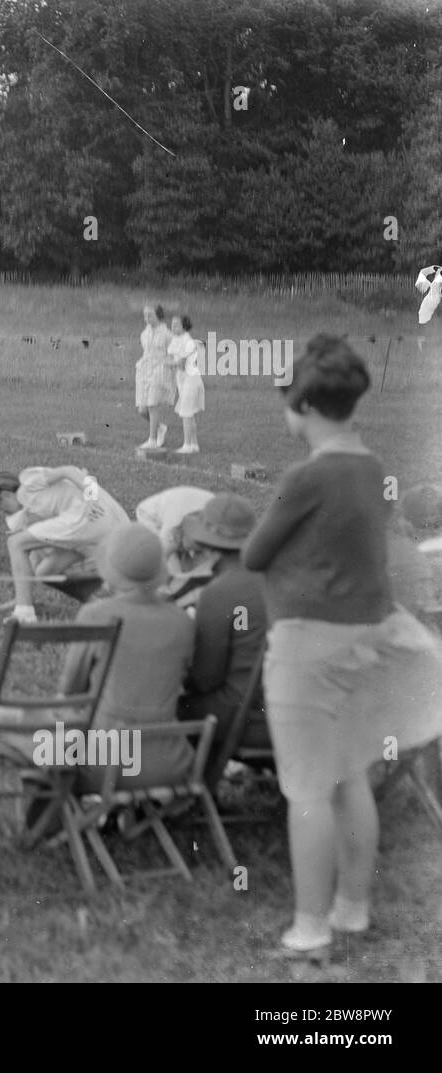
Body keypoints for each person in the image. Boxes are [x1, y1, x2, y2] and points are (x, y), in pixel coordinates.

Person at [240, 334, 442, 958]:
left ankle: (310, 930)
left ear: (301, 404)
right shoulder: (371, 467)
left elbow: (254, 552)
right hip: (365, 638)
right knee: (350, 773)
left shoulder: (304, 476)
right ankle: (352, 910)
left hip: (308, 646)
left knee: (306, 789)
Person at [59, 523, 196, 793]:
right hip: (171, 762)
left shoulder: (95, 614)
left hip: (104, 761)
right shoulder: (182, 621)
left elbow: (70, 690)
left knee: (33, 747)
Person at [176, 494, 270, 751]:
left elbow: (205, 678)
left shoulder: (221, 592)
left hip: (245, 719)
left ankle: (192, 776)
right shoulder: (276, 577)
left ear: (207, 545)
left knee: (161, 710)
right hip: (293, 714)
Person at [0, 466, 129, 623]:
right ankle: (99, 605)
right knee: (45, 571)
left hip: (101, 525)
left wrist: (91, 499)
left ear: (6, 495)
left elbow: (74, 473)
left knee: (16, 543)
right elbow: (31, 566)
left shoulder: (31, 486)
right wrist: (19, 599)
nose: (0, 511)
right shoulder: (27, 516)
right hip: (84, 535)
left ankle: (24, 615)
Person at [135, 304, 176, 450]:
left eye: (150, 315)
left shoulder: (167, 334)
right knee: (142, 410)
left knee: (153, 405)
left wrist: (169, 365)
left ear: (158, 315)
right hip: (146, 371)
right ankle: (160, 428)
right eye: (145, 315)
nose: (146, 318)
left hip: (161, 372)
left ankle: (152, 440)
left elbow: (174, 354)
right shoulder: (144, 333)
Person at [168, 314, 205, 454]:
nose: (173, 327)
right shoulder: (176, 339)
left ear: (184, 326)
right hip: (183, 381)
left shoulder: (187, 340)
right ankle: (194, 445)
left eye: (176, 324)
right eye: (172, 324)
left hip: (191, 380)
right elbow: (172, 357)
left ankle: (187, 445)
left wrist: (167, 364)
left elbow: (181, 364)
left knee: (186, 413)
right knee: (189, 414)